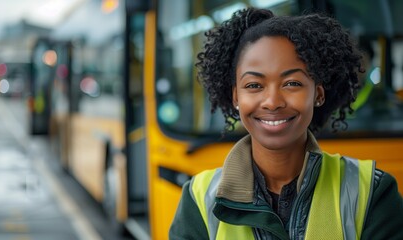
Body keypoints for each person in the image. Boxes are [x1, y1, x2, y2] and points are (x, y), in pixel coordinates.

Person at [169, 7, 403, 240]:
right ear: (236, 97)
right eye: (254, 85)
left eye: (291, 83)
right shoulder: (198, 200)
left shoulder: (372, 192)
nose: (272, 102)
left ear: (318, 94)